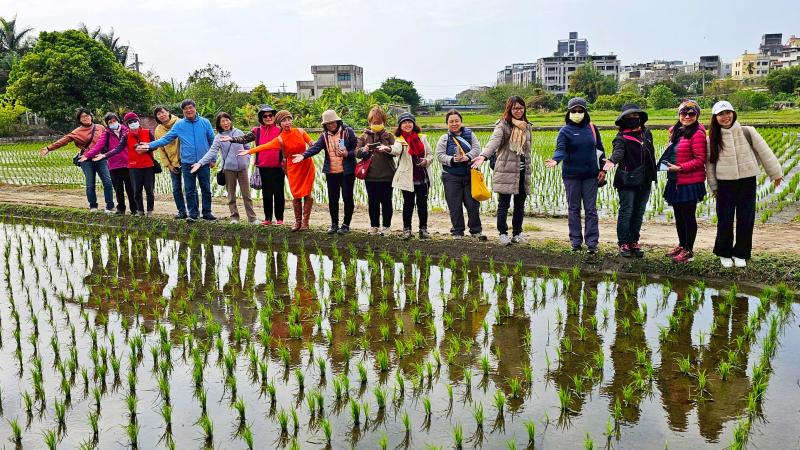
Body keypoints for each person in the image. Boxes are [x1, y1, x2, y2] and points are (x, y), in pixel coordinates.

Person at [707, 101, 783, 268]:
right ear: (715, 118)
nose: (725, 117)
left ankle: (741, 253)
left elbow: (765, 152)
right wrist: (713, 186)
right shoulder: (712, 137)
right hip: (725, 184)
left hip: (747, 181)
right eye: (721, 114)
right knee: (725, 220)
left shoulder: (747, 131)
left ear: (734, 113)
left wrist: (776, 173)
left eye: (728, 113)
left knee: (746, 218)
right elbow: (710, 165)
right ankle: (724, 253)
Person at [546, 97, 606, 253]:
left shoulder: (592, 128)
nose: (577, 113)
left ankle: (592, 243)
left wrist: (603, 170)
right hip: (571, 176)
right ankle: (575, 241)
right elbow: (560, 149)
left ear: (585, 112)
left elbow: (600, 150)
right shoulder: (564, 131)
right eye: (574, 111)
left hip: (590, 175)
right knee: (574, 208)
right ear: (569, 112)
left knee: (591, 209)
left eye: (580, 111)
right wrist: (556, 160)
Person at [141, 99, 216, 222]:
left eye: (190, 107)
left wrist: (212, 159)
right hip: (187, 163)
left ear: (195, 108)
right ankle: (193, 214)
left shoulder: (205, 122)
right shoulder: (180, 125)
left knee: (206, 189)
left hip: (203, 162)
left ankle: (207, 213)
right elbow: (165, 139)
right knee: (189, 189)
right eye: (185, 109)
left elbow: (212, 140)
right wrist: (149, 145)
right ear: (183, 111)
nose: (188, 110)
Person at [471, 96, 532, 246]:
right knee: (504, 204)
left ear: (524, 109)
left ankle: (517, 233)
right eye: (515, 108)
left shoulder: (527, 126)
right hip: (506, 171)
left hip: (523, 172)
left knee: (519, 204)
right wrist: (483, 155)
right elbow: (494, 141)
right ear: (509, 109)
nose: (518, 111)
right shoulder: (503, 125)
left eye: (521, 108)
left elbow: (527, 150)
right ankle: (503, 234)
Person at [240, 110, 315, 232]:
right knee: (296, 194)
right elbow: (265, 146)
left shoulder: (300, 131)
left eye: (289, 119)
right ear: (279, 123)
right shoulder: (280, 139)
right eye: (283, 121)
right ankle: (298, 222)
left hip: (306, 165)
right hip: (293, 168)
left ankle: (305, 223)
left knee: (307, 193)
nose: (287, 122)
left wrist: (315, 145)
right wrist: (249, 151)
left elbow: (312, 143)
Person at [603, 104, 657, 257]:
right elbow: (618, 152)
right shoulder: (621, 137)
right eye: (628, 118)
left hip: (645, 179)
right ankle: (623, 243)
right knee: (627, 211)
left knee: (639, 212)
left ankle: (634, 241)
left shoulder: (647, 133)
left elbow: (651, 154)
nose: (633, 120)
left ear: (640, 118)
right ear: (623, 121)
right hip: (627, 180)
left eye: (635, 116)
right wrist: (612, 161)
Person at [292, 110, 357, 234]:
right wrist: (303, 155)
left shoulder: (348, 132)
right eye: (327, 123)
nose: (331, 125)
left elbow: (357, 148)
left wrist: (348, 153)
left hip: (347, 172)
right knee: (333, 199)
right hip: (331, 172)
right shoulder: (324, 136)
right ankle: (334, 225)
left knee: (347, 198)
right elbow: (316, 148)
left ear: (337, 121)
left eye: (332, 122)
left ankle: (346, 225)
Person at [40, 108, 113, 212]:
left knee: (107, 182)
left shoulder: (100, 127)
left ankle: (110, 207)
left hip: (100, 158)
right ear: (79, 119)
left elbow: (110, 139)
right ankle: (93, 206)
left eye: (87, 115)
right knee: (90, 183)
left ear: (91, 116)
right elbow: (63, 141)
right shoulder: (76, 132)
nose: (86, 118)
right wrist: (48, 148)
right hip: (86, 160)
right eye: (83, 116)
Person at [220, 105, 283, 225]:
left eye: (271, 115)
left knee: (279, 193)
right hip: (263, 166)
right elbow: (244, 139)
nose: (268, 118)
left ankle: (279, 219)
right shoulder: (257, 131)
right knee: (267, 194)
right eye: (265, 116)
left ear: (274, 117)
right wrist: (231, 138)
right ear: (261, 118)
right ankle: (268, 219)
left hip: (278, 166)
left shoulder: (280, 130)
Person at [662, 100, 708, 264]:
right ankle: (682, 245)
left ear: (697, 115)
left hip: (689, 181)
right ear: (679, 115)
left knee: (688, 216)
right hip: (675, 180)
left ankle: (689, 250)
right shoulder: (676, 132)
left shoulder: (697, 134)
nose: (687, 116)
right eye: (683, 113)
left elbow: (700, 159)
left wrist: (680, 167)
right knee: (679, 215)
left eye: (691, 114)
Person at [191, 112, 257, 224]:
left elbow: (247, 147)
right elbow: (212, 152)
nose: (226, 123)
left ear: (230, 120)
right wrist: (200, 163)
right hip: (228, 169)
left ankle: (252, 218)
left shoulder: (239, 132)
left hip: (242, 169)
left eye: (227, 120)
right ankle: (234, 217)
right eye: (223, 121)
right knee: (231, 195)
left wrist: (246, 159)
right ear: (219, 124)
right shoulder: (218, 138)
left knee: (247, 194)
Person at [435, 109, 485, 240]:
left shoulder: (470, 134)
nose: (454, 123)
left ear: (461, 121)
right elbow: (439, 155)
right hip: (451, 177)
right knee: (455, 206)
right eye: (451, 121)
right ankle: (457, 231)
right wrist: (452, 159)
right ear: (447, 123)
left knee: (473, 205)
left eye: (456, 121)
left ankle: (476, 230)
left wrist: (467, 157)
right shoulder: (444, 138)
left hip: (469, 176)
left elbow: (477, 150)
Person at [94, 112, 157, 216]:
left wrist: (147, 147)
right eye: (130, 122)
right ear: (127, 124)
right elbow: (118, 149)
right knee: (136, 191)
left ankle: (150, 211)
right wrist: (105, 155)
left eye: (134, 121)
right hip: (134, 167)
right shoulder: (126, 136)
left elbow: (155, 145)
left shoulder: (147, 132)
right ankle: (140, 211)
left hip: (148, 166)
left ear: (138, 121)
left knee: (149, 190)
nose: (133, 123)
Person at [81, 112, 135, 215]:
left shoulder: (126, 130)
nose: (113, 123)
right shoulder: (106, 133)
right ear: (107, 124)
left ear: (118, 121)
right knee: (118, 189)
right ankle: (121, 209)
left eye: (114, 121)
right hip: (114, 165)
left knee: (131, 188)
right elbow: (98, 146)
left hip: (129, 164)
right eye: (110, 122)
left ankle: (134, 209)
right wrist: (87, 155)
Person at [356, 106, 397, 235]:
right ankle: (374, 226)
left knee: (386, 202)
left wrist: (387, 148)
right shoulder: (363, 137)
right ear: (369, 123)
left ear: (384, 123)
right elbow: (356, 152)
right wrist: (364, 150)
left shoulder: (389, 136)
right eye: (374, 123)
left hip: (387, 175)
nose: (377, 125)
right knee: (373, 202)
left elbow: (396, 151)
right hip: (370, 176)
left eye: (379, 123)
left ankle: (386, 227)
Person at [391, 113, 433, 240]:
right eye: (404, 122)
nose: (407, 124)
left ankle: (423, 229)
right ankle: (407, 229)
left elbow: (430, 154)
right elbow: (395, 150)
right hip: (407, 178)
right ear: (400, 126)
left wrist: (426, 161)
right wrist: (388, 149)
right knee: (408, 204)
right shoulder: (399, 140)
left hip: (422, 177)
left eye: (410, 122)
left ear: (414, 124)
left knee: (422, 204)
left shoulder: (422, 138)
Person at [153, 106, 187, 219]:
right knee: (176, 188)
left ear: (168, 112)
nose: (161, 115)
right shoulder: (158, 130)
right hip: (172, 162)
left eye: (163, 112)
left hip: (186, 160)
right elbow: (161, 149)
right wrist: (168, 164)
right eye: (158, 114)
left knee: (189, 187)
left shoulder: (180, 122)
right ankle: (181, 212)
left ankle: (194, 211)